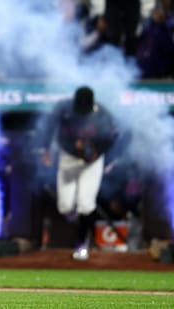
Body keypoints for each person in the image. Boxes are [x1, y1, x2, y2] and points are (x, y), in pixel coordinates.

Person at [40, 86, 119, 260]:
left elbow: (113, 136)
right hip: (68, 158)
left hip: (91, 162)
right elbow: (49, 127)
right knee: (65, 206)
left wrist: (97, 152)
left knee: (86, 204)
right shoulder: (63, 108)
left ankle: (82, 245)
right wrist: (45, 150)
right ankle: (76, 217)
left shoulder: (102, 114)